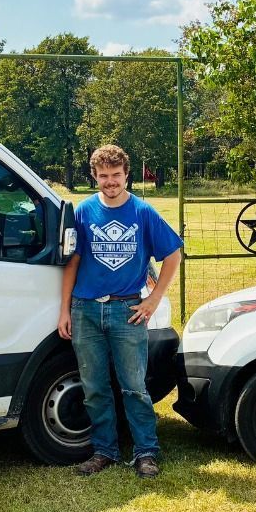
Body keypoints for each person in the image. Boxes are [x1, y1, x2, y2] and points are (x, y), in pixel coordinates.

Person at [59, 144, 182, 478]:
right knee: (95, 386)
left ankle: (145, 452)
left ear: (126, 174)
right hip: (86, 310)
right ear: (94, 176)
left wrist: (154, 299)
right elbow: (73, 262)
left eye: (116, 175)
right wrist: (65, 310)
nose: (110, 182)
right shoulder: (84, 212)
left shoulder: (143, 213)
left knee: (134, 386)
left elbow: (173, 255)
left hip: (127, 310)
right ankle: (104, 450)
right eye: (103, 176)